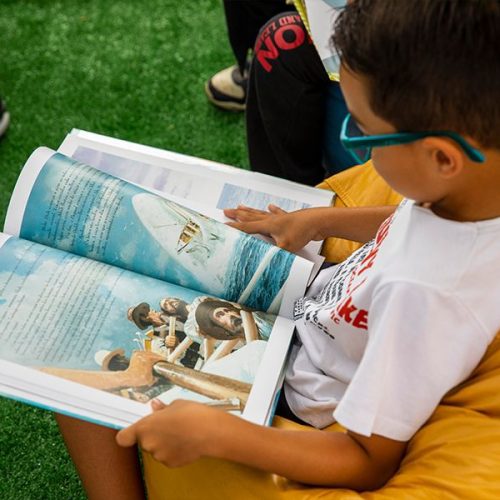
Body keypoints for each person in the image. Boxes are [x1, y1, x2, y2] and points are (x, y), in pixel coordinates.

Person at [56, 0, 500, 496]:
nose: (362, 149)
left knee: (82, 346)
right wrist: (315, 221)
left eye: (366, 134)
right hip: (309, 311)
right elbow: (404, 221)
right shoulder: (468, 199)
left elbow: (365, 460)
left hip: (291, 390)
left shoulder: (425, 294)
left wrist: (218, 434)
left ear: (442, 157)